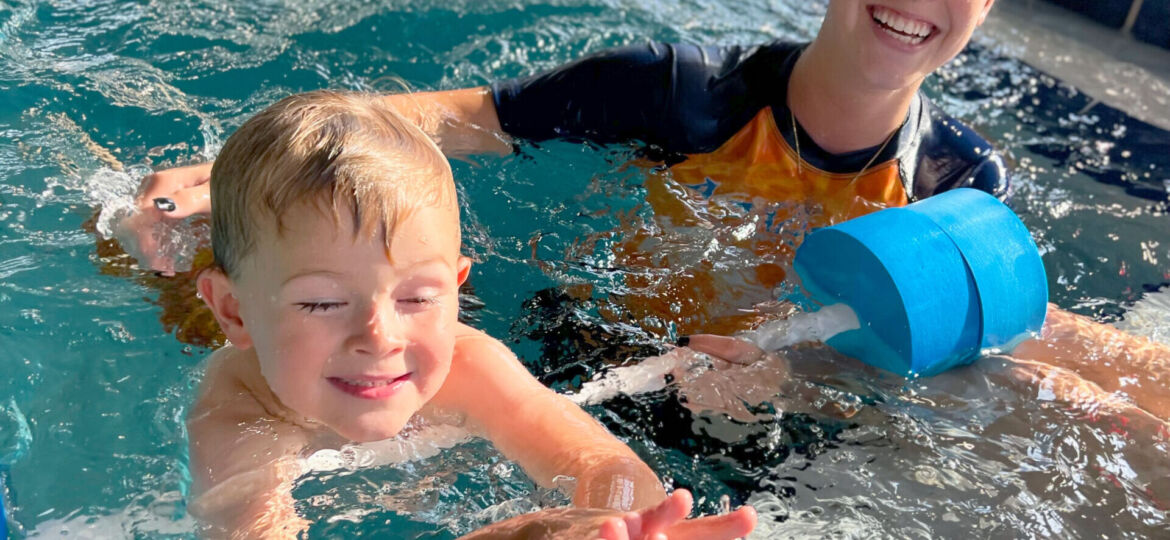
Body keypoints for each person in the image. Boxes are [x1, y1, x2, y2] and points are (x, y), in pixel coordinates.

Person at [137, 1, 1165, 425]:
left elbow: (934, 371)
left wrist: (793, 390)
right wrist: (218, 161)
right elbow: (455, 121)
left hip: (771, 414)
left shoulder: (956, 184)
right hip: (590, 348)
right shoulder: (679, 95)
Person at [185, 89, 756, 539]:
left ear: (458, 288)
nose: (380, 337)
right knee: (167, 282)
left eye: (417, 297)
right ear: (234, 313)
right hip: (189, 319)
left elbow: (604, 464)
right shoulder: (239, 414)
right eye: (323, 303)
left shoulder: (466, 362)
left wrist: (595, 527)